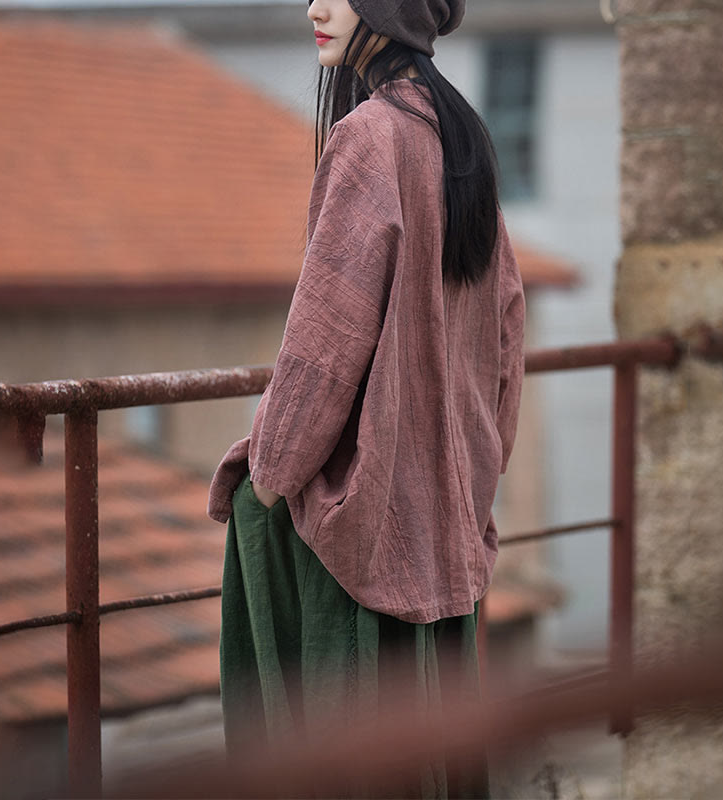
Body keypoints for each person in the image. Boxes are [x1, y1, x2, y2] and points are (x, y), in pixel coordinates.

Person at [208, 0, 526, 796]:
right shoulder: (463, 137)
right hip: (445, 532)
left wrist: (271, 475)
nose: (314, 6)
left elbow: (322, 347)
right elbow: (506, 339)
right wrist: (473, 475)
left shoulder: (369, 136)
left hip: (364, 546)